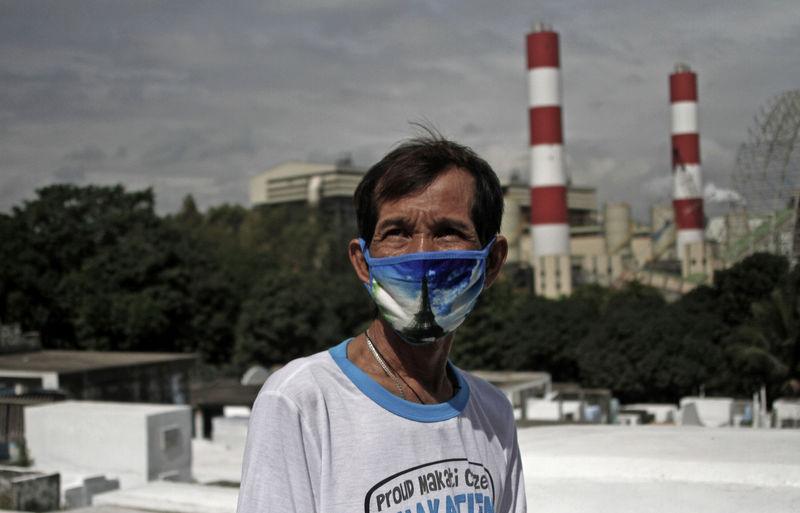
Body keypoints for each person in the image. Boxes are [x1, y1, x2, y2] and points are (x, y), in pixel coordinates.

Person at [237, 134, 526, 513]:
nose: (421, 254)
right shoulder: (302, 402)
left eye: (447, 232)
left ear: (492, 262)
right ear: (363, 262)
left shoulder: (494, 415)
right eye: (397, 233)